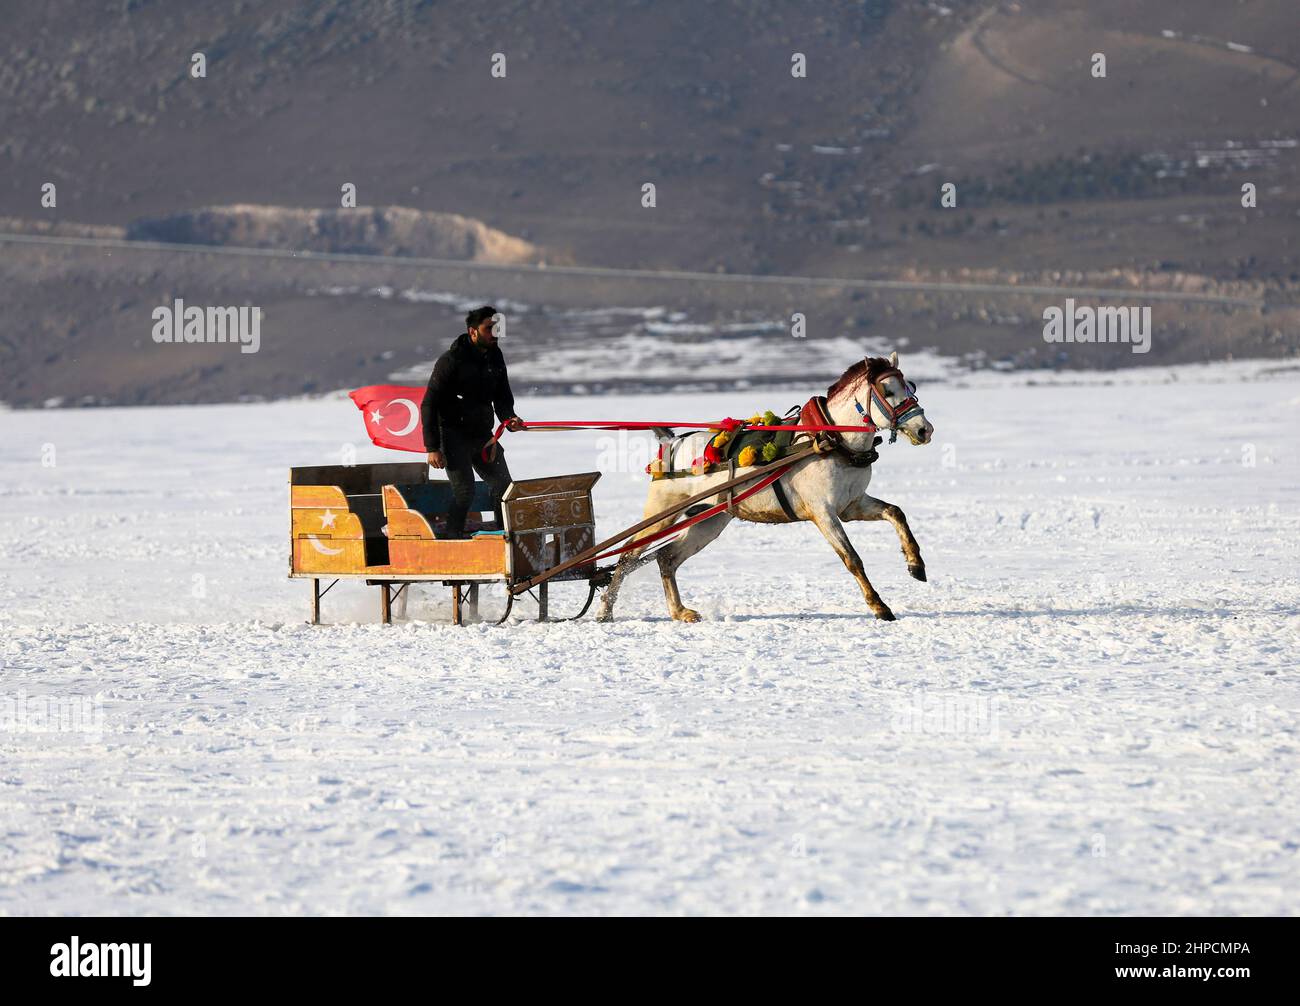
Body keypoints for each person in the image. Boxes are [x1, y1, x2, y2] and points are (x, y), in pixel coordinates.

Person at [420, 305, 525, 538]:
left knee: (504, 488)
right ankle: (452, 541)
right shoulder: (451, 360)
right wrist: (432, 448)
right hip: (452, 435)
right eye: (489, 328)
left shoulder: (495, 357)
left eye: (496, 328)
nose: (494, 333)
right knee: (464, 492)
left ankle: (504, 537)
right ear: (473, 332)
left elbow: (502, 395)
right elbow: (429, 404)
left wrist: (509, 418)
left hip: (482, 435)